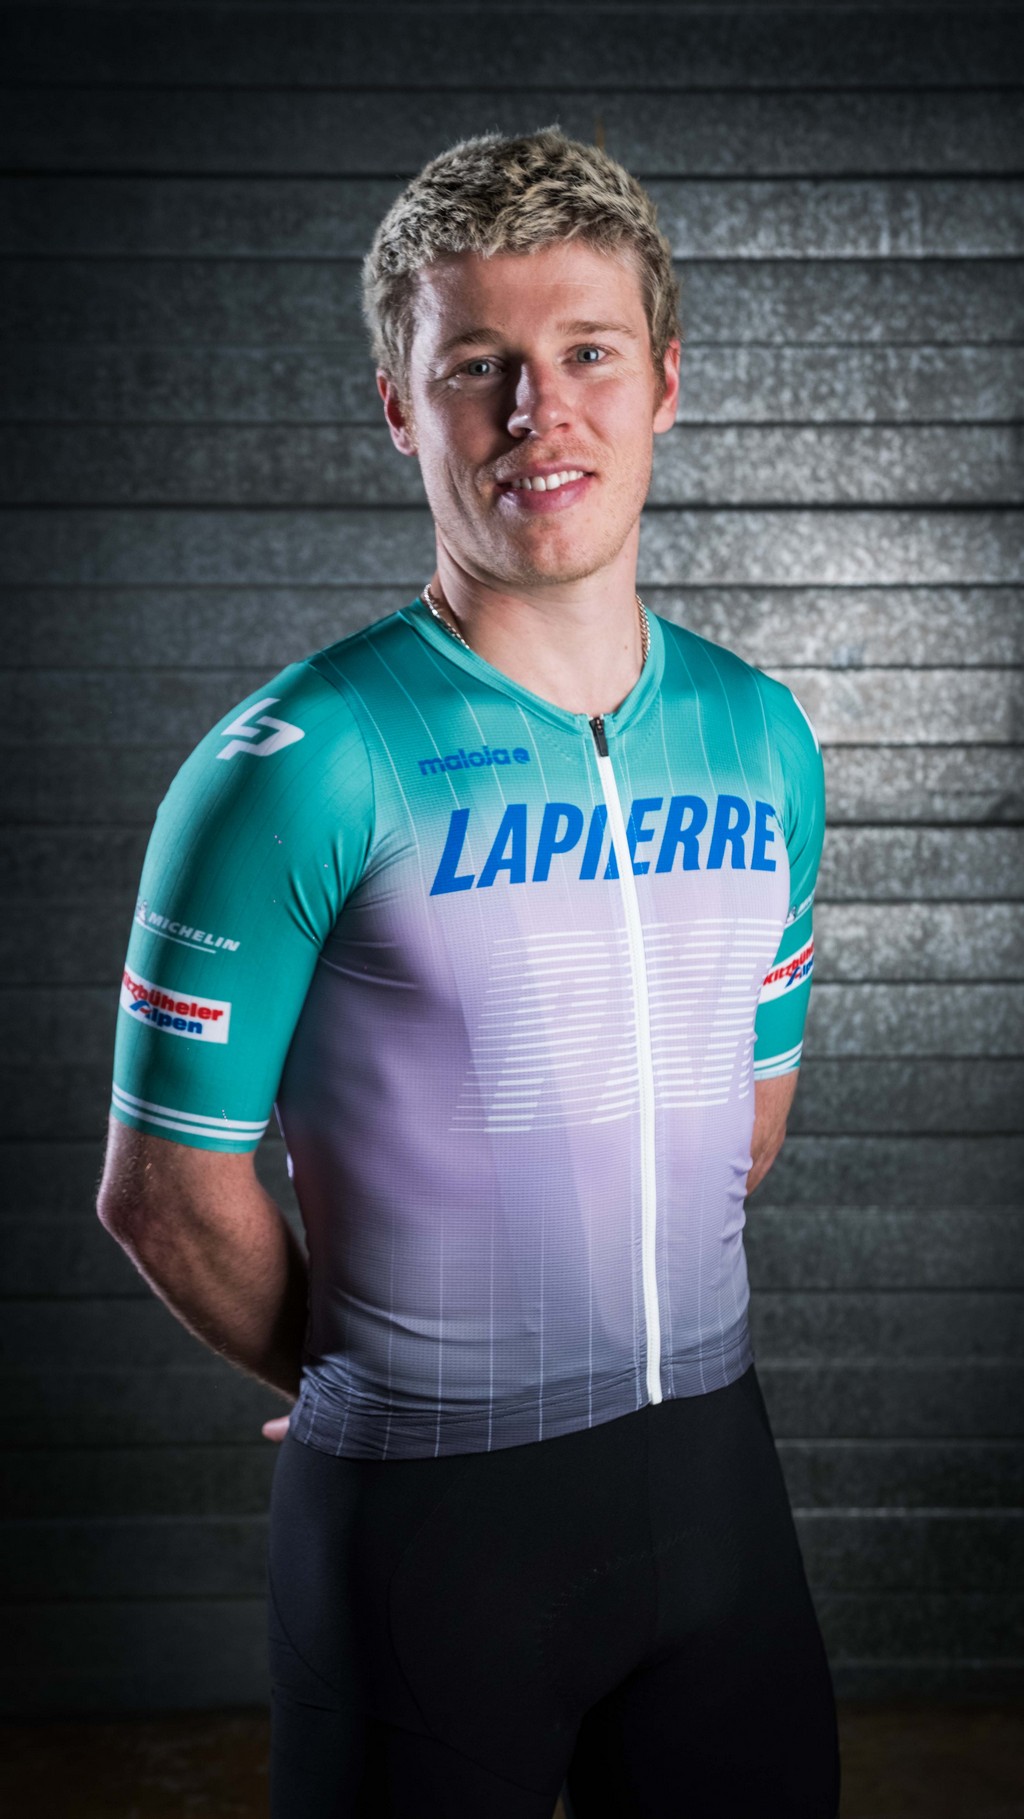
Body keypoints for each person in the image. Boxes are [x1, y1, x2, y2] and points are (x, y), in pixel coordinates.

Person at [97, 127, 840, 1818]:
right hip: (426, 1545)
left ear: (667, 384)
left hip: (717, 1504)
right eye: (477, 368)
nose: (536, 413)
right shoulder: (298, 762)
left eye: (586, 355)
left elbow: (742, 1116)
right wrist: (368, 1375)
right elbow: (162, 1190)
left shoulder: (764, 736)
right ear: (398, 407)